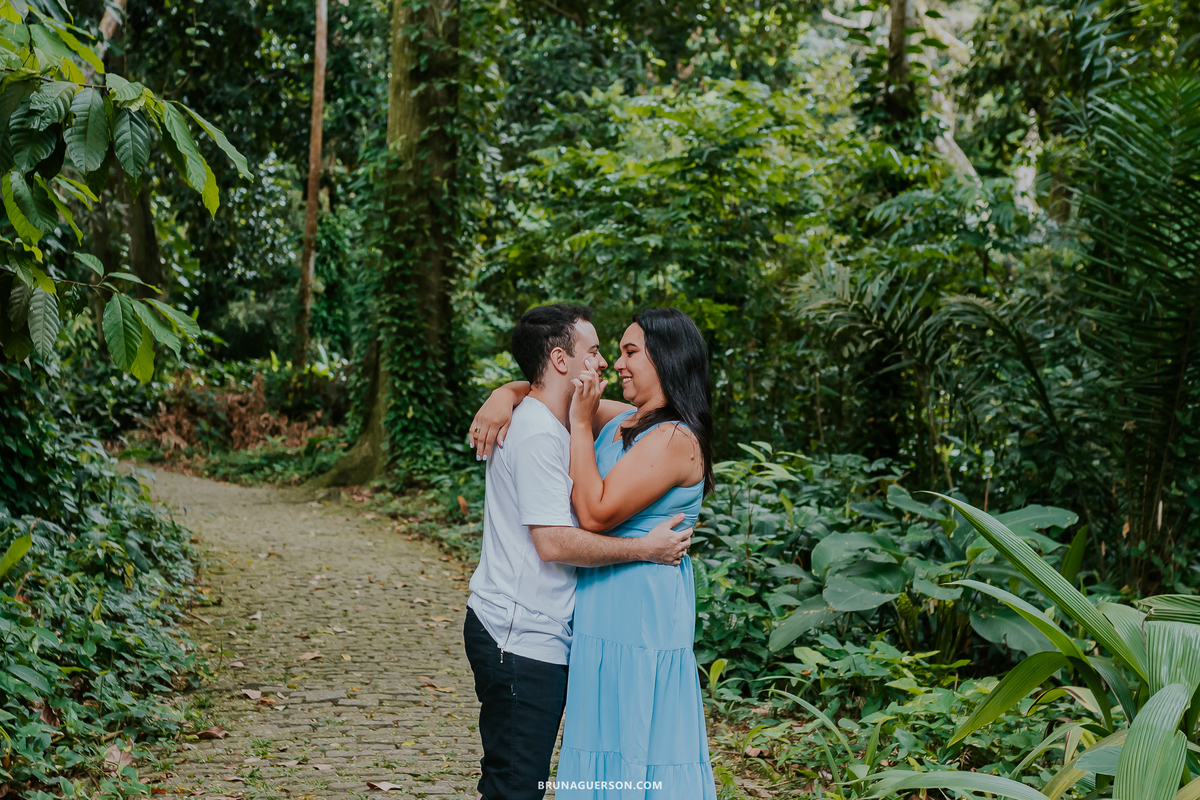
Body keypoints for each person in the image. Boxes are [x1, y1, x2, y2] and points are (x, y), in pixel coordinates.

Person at [470, 307, 717, 799]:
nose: (615, 363)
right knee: (600, 754)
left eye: (629, 352)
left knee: (637, 751)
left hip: (639, 613)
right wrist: (504, 394)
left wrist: (581, 426)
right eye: (611, 351)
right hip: (596, 616)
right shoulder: (629, 420)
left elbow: (596, 514)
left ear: (666, 358)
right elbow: (549, 393)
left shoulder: (672, 437)